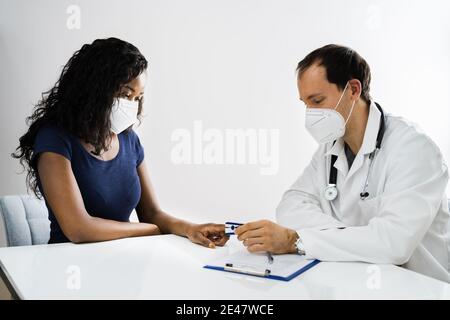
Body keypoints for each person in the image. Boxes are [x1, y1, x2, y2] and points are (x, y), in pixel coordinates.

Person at [236, 44, 450, 282]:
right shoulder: (331, 146)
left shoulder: (413, 149)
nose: (310, 114)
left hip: (420, 286)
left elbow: (393, 244)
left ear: (353, 89)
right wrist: (358, 238)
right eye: (305, 103)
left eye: (317, 100)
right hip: (359, 280)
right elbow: (290, 206)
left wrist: (297, 240)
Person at [12, 38, 228, 248]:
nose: (132, 105)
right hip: (68, 265)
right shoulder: (54, 139)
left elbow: (152, 214)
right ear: (95, 90)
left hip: (123, 261)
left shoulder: (129, 140)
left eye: (138, 97)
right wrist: (146, 230)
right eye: (125, 94)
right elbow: (78, 229)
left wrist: (190, 229)